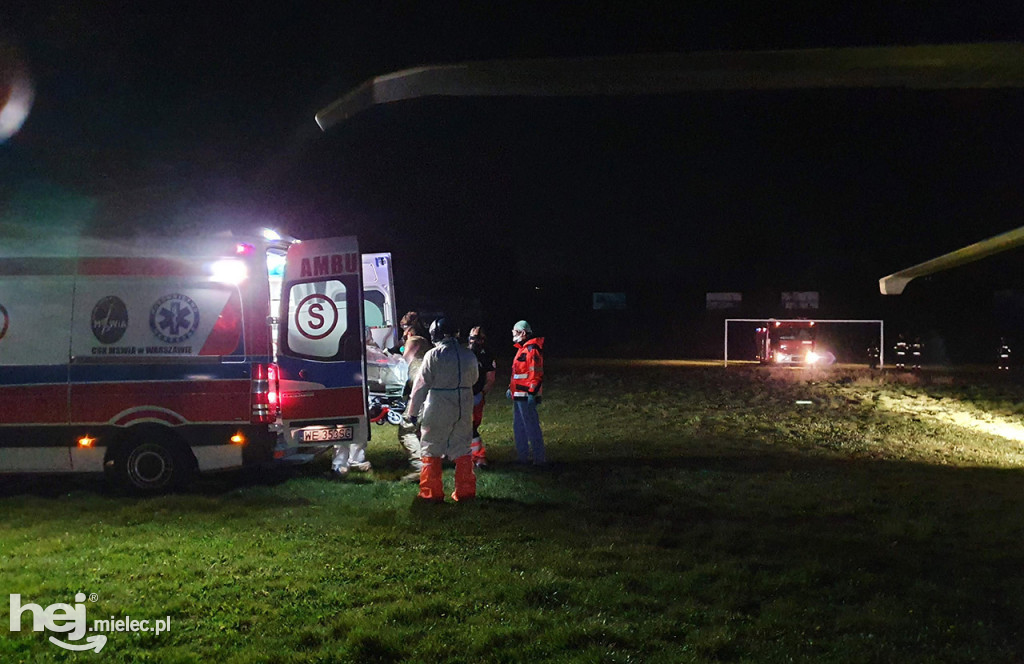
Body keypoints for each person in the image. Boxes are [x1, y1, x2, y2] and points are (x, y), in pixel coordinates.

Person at [406, 317, 479, 502]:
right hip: (464, 404)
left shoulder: (434, 355)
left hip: (438, 405)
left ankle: (431, 493)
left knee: (431, 446)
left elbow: (421, 386)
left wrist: (413, 413)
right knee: (462, 448)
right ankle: (465, 492)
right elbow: (475, 379)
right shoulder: (468, 354)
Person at [397, 311, 431, 482]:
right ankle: (429, 466)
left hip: (420, 392)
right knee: (421, 430)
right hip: (429, 392)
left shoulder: (414, 341)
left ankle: (420, 468)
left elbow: (403, 362)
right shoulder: (425, 343)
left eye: (404, 328)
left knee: (406, 429)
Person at [506, 320, 546, 466]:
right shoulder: (523, 348)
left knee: (531, 427)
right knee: (519, 427)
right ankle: (522, 458)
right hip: (519, 395)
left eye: (514, 332)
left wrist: (532, 393)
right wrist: (511, 389)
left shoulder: (531, 349)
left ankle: (539, 459)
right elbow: (518, 373)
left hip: (525, 396)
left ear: (522, 333)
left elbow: (535, 373)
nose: (513, 335)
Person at [467, 326, 497, 468]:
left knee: (472, 427)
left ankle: (478, 457)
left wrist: (482, 393)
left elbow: (490, 378)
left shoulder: (487, 356)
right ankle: (474, 456)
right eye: (472, 337)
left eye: (476, 338)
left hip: (476, 395)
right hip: (462, 396)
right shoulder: (464, 353)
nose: (474, 341)